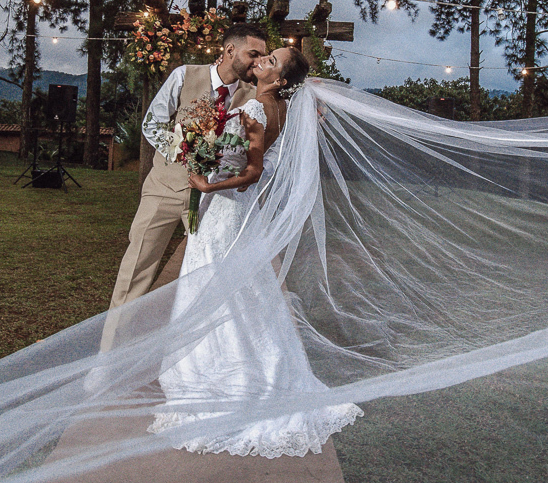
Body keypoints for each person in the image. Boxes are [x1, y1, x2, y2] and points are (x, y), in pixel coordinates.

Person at [148, 46, 363, 457]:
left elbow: (250, 173)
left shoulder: (259, 111)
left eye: (270, 62)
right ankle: (255, 367)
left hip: (226, 211)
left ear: (280, 80)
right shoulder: (275, 107)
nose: (259, 63)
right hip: (235, 214)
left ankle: (221, 380)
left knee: (214, 286)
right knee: (239, 290)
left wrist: (205, 184)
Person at [98, 22, 268, 351]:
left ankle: (202, 362)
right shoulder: (183, 75)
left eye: (263, 57)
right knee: (135, 271)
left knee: (212, 280)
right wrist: (189, 153)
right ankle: (108, 360)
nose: (257, 62)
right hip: (164, 189)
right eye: (253, 54)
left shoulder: (254, 97)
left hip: (214, 203)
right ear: (230, 51)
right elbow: (152, 123)